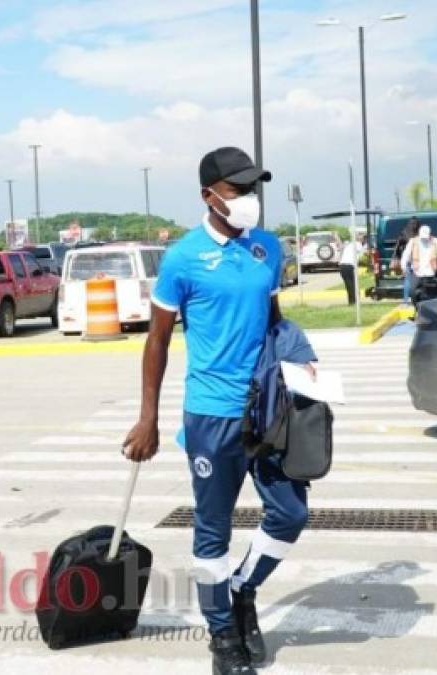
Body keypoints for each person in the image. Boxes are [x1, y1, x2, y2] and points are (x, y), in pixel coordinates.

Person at [123, 147, 314, 675]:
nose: (250, 199)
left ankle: (241, 590)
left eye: (254, 188)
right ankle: (222, 637)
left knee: (292, 512)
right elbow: (157, 342)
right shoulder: (183, 258)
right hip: (211, 413)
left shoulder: (267, 250)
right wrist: (148, 419)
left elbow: (275, 322)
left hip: (267, 408)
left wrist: (303, 360)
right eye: (238, 190)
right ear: (209, 195)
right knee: (213, 532)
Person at [394, 217, 420, 302]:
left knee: (408, 280)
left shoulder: (404, 232)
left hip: (408, 258)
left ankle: (406, 299)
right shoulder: (419, 233)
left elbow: (398, 245)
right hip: (417, 259)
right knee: (417, 280)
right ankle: (415, 298)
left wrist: (396, 256)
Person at [339, 234, 366, 305]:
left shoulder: (350, 245)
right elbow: (363, 256)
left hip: (342, 266)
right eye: (363, 238)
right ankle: (354, 301)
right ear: (361, 239)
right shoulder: (358, 245)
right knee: (353, 285)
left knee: (349, 285)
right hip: (349, 266)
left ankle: (351, 302)